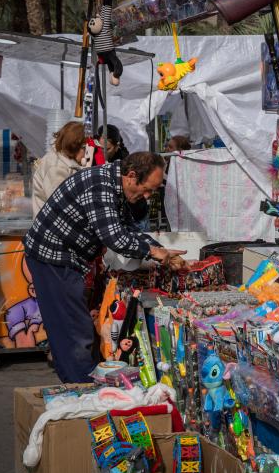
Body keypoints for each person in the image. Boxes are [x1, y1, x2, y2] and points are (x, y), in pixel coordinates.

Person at [23, 152, 185, 383]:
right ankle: (83, 389)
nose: (147, 197)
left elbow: (127, 229)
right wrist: (154, 253)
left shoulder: (115, 185)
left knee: (69, 328)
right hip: (53, 258)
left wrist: (162, 252)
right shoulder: (99, 185)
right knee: (74, 330)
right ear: (131, 176)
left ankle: (74, 381)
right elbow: (115, 237)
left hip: (65, 258)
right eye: (148, 189)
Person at [32, 121, 85, 216]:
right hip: (50, 226)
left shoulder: (63, 161)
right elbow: (60, 205)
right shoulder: (56, 167)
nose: (86, 152)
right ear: (75, 146)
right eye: (84, 147)